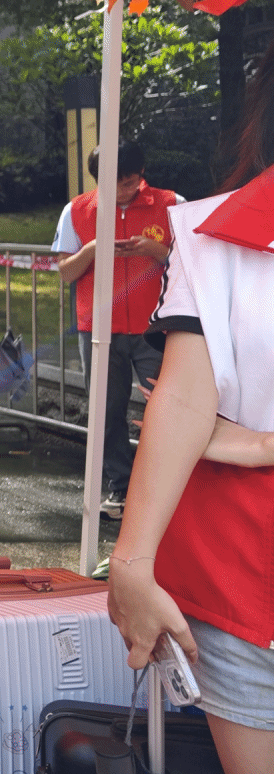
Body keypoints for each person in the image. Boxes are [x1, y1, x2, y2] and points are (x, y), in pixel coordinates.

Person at [109, 41, 274, 772]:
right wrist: (131, 563)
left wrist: (258, 443)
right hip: (243, 572)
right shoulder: (216, 235)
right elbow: (182, 396)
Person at [51, 144, 179, 521]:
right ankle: (120, 488)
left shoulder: (171, 204)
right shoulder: (77, 210)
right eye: (114, 183)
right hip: (99, 328)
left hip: (155, 326)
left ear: (142, 173)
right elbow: (65, 272)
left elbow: (192, 262)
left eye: (130, 181)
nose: (124, 190)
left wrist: (156, 249)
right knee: (107, 412)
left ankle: (166, 490)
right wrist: (92, 250)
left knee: (167, 409)